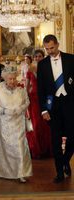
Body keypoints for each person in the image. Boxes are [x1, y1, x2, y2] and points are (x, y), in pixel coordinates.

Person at [37, 34, 74, 183]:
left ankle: (65, 160)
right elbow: (41, 89)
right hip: (53, 106)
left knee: (73, 137)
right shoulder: (43, 64)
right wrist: (44, 110)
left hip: (70, 104)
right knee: (56, 140)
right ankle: (59, 172)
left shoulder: (71, 59)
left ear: (57, 44)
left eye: (52, 48)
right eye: (47, 49)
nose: (50, 51)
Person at [0, 66, 32, 183]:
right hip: (5, 122)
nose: (12, 81)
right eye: (10, 79)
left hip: (18, 122)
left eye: (14, 78)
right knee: (6, 148)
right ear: (5, 78)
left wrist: (21, 109)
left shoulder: (21, 88)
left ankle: (21, 173)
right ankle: (4, 171)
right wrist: (3, 111)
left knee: (20, 146)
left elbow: (27, 101)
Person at [26, 49, 52, 159]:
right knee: (35, 125)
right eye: (36, 56)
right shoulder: (30, 69)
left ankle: (47, 150)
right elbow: (27, 86)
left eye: (40, 56)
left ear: (43, 57)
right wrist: (26, 100)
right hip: (33, 99)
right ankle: (36, 150)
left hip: (45, 99)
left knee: (46, 125)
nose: (38, 58)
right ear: (33, 58)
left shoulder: (47, 68)